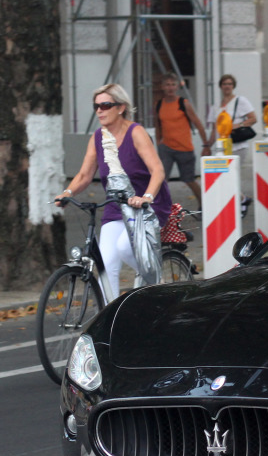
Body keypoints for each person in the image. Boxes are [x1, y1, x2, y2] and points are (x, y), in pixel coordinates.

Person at [57, 83, 172, 298]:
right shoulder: (98, 137)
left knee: (124, 247)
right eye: (96, 106)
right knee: (106, 263)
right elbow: (84, 176)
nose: (99, 110)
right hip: (116, 205)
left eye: (106, 105)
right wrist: (67, 193)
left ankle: (155, 279)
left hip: (147, 203)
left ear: (121, 107)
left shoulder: (136, 132)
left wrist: (146, 196)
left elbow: (157, 170)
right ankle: (109, 319)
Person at [154, 73, 209, 209]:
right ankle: (162, 209)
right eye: (167, 85)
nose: (170, 88)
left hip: (184, 149)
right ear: (162, 87)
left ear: (177, 86)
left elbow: (198, 123)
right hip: (166, 148)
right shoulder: (159, 104)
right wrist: (158, 143)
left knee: (189, 180)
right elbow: (157, 126)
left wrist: (206, 144)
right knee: (161, 180)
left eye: (173, 84)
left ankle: (204, 206)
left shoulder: (183, 103)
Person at [212, 73, 257, 143]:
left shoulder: (240, 100)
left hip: (237, 143)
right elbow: (214, 128)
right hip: (221, 144)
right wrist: (208, 146)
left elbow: (253, 119)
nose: (227, 86)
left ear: (233, 86)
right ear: (220, 86)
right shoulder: (216, 105)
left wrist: (239, 125)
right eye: (224, 84)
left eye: (230, 84)